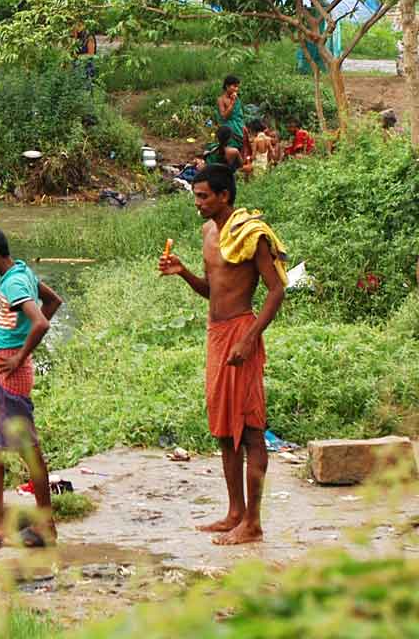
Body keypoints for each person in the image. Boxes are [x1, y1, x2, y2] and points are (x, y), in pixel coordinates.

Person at [158, 164, 285, 545]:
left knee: (250, 431)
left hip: (241, 334)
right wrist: (182, 272)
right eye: (196, 196)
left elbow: (277, 289)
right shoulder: (207, 233)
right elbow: (213, 292)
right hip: (216, 336)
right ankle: (235, 513)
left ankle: (254, 523)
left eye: (203, 196)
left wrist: (249, 338)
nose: (197, 203)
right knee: (223, 430)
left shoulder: (252, 235)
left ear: (224, 196)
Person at [0, 226, 64, 556]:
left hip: (11, 372)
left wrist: (20, 353)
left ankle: (45, 525)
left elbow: (42, 321)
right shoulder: (19, 273)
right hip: (0, 369)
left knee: (25, 447)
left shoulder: (16, 281)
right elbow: (53, 301)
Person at [217, 75, 246, 156]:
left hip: (239, 124)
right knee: (230, 143)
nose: (236, 89)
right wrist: (232, 102)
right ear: (227, 86)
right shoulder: (221, 100)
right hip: (228, 125)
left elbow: (239, 114)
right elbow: (224, 116)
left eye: (237, 87)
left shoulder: (236, 98)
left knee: (244, 143)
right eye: (234, 86)